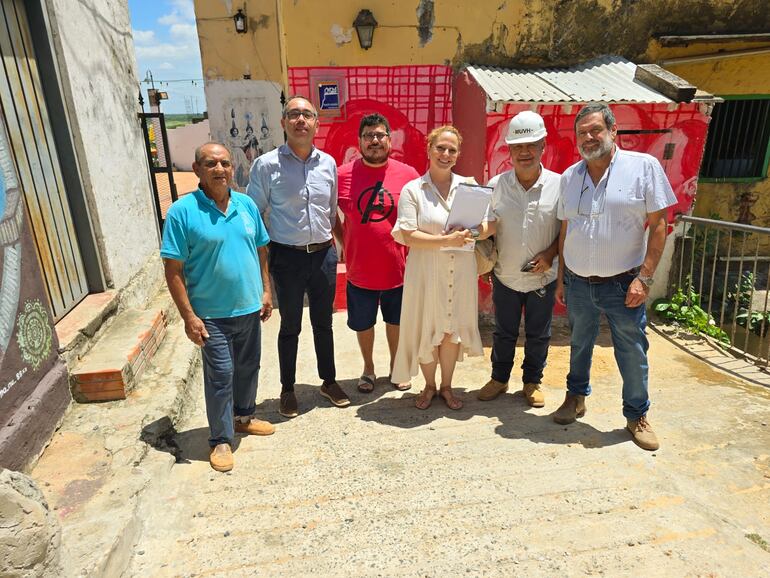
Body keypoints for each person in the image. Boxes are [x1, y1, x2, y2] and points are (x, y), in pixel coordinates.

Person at [554, 103, 676, 451]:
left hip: (625, 283)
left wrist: (645, 278)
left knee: (632, 350)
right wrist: (562, 278)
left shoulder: (643, 168)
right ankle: (575, 397)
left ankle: (636, 415)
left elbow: (659, 224)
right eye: (582, 132)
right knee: (578, 343)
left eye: (595, 130)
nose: (589, 137)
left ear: (612, 131)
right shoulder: (570, 177)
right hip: (578, 281)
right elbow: (566, 229)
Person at [161, 142, 274, 473]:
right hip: (211, 315)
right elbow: (173, 269)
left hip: (249, 307)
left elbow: (262, 249)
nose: (220, 169)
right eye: (211, 164)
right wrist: (188, 316)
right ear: (197, 169)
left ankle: (243, 418)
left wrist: (266, 291)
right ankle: (220, 439)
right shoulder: (183, 212)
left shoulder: (246, 205)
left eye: (225, 163)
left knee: (248, 368)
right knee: (221, 375)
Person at [247, 95, 350, 418]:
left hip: (323, 256)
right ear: (283, 123)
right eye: (294, 114)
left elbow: (331, 210)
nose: (300, 120)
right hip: (286, 257)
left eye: (307, 114)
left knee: (324, 323)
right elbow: (253, 214)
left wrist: (341, 248)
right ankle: (288, 388)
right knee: (290, 325)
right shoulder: (266, 165)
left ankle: (328, 381)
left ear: (317, 123)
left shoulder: (328, 163)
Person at [391, 126, 489, 410]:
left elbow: (488, 223)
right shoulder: (414, 189)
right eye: (440, 148)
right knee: (427, 327)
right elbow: (408, 234)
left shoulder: (470, 186)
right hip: (426, 271)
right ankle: (429, 385)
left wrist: (475, 232)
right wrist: (448, 239)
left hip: (461, 271)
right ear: (429, 149)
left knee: (451, 329)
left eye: (452, 150)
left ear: (458, 154)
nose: (446, 154)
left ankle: (446, 386)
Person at [477, 111, 560, 408]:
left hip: (543, 278)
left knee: (539, 334)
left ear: (543, 147)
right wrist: (484, 257)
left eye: (531, 145)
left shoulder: (559, 186)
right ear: (509, 150)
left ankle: (532, 381)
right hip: (506, 275)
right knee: (503, 332)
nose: (524, 152)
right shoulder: (496, 185)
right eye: (518, 146)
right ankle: (499, 379)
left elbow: (566, 230)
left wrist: (550, 254)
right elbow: (487, 227)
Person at [335, 113, 420, 393]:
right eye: (368, 135)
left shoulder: (408, 175)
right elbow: (328, 212)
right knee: (364, 323)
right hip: (360, 270)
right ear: (359, 141)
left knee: (395, 322)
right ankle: (368, 368)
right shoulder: (343, 174)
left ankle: (397, 367)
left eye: (380, 135)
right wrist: (343, 242)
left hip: (398, 269)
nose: (374, 141)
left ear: (389, 139)